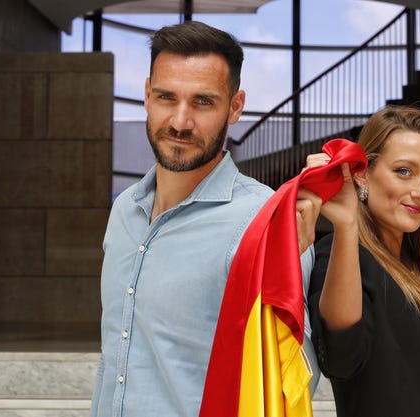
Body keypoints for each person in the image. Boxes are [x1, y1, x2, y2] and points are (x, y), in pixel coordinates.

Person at [89, 21, 320, 417]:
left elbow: (291, 382)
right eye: (166, 97)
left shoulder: (264, 222)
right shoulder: (124, 209)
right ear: (146, 95)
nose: (180, 122)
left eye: (203, 102)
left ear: (235, 107)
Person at [305, 105, 420, 417]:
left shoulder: (417, 269)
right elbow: (341, 359)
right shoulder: (343, 253)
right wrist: (345, 226)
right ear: (362, 174)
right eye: (404, 171)